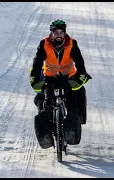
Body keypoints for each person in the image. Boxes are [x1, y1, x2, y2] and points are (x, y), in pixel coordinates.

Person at [29, 19, 92, 149]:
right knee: (44, 102)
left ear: (64, 33)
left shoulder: (72, 44)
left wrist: (81, 76)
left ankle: (76, 120)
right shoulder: (44, 44)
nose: (58, 35)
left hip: (68, 78)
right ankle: (47, 131)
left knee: (75, 97)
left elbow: (80, 63)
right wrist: (35, 79)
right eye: (56, 32)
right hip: (50, 79)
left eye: (61, 32)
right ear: (51, 34)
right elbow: (36, 64)